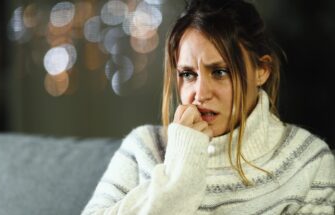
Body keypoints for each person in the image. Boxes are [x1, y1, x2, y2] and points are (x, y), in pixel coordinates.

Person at [82, 0, 335, 214]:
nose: (200, 94)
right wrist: (179, 172)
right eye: (188, 74)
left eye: (220, 72)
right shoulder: (143, 148)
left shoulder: (309, 160)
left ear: (262, 70)